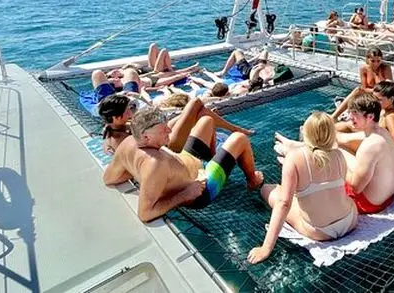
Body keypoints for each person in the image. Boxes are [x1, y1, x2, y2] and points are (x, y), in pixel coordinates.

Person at [103, 105, 263, 221]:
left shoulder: (128, 142)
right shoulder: (154, 165)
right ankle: (252, 180)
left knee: (207, 120)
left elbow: (109, 179)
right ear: (146, 137)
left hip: (188, 159)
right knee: (239, 138)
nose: (170, 131)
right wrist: (184, 195)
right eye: (163, 130)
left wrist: (137, 172)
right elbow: (145, 214)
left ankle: (216, 158)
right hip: (201, 187)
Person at [247, 113, 358, 264]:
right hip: (350, 220)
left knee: (268, 190)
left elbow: (283, 204)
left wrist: (265, 248)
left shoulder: (294, 157)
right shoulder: (339, 155)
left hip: (320, 231)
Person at [336, 81, 394, 152]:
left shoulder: (391, 117)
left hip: (380, 152)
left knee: (341, 143)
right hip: (377, 142)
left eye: (379, 99)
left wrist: (371, 141)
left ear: (391, 99)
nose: (374, 101)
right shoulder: (385, 110)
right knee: (346, 126)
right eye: (374, 98)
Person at [330, 48, 394, 120]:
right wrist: (374, 91)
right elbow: (364, 88)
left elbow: (389, 87)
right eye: (373, 61)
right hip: (371, 94)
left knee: (359, 92)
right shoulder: (364, 69)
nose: (376, 64)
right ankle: (334, 116)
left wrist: (380, 77)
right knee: (357, 90)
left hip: (383, 96)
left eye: (378, 61)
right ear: (367, 60)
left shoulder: (385, 68)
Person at [92, 63, 198, 98]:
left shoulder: (125, 81)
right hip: (154, 82)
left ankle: (192, 68)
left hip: (150, 77)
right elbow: (144, 89)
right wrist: (159, 88)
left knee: (175, 72)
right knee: (177, 77)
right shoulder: (126, 87)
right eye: (113, 80)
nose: (114, 79)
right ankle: (192, 71)